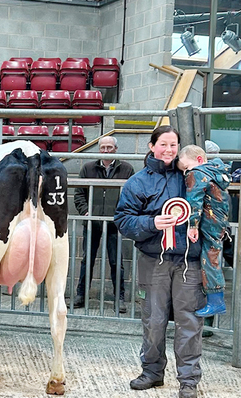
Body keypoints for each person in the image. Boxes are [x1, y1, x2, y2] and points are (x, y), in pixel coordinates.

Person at [114, 126, 204, 398]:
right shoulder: (137, 182)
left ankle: (188, 381)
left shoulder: (192, 178)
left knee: (189, 321)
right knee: (153, 320)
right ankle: (152, 371)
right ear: (152, 146)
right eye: (163, 144)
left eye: (173, 145)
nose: (168, 150)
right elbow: (123, 220)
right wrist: (151, 222)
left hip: (189, 260)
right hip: (154, 260)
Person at [72, 136, 134, 313]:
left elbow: (132, 195)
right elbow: (78, 193)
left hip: (115, 224)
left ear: (116, 148)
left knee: (116, 262)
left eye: (109, 147)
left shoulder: (127, 168)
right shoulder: (88, 168)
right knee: (87, 260)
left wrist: (121, 215)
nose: (106, 151)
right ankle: (80, 295)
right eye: (103, 147)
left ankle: (119, 298)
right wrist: (85, 212)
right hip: (92, 223)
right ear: (99, 149)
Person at [177, 144, 230, 317]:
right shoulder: (215, 172)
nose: (186, 172)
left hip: (208, 220)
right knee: (213, 255)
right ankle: (216, 299)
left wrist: (192, 226)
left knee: (209, 257)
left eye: (186, 167)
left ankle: (216, 301)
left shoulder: (197, 173)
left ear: (199, 160)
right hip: (219, 221)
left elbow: (194, 201)